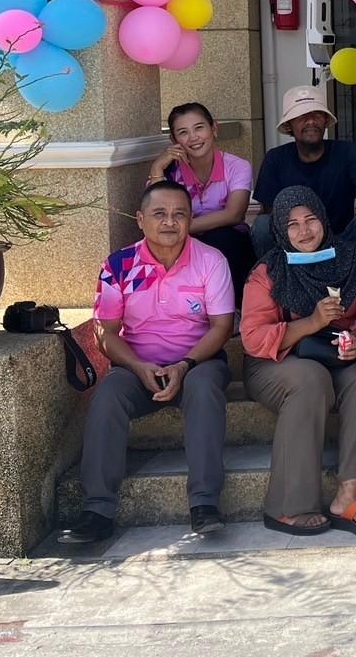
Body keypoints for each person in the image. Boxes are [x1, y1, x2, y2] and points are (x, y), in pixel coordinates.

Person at [59, 182, 233, 545]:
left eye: (179, 214)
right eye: (159, 214)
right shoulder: (119, 265)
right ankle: (97, 510)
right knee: (108, 394)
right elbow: (105, 333)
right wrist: (138, 367)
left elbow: (221, 327)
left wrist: (184, 365)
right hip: (138, 366)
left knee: (203, 389)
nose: (170, 222)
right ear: (140, 219)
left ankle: (204, 503)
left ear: (190, 219)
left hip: (197, 362)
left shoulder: (211, 261)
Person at [240, 186, 356, 540]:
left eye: (310, 220)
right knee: (310, 380)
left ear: (323, 218)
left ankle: (348, 497)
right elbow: (253, 338)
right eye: (292, 225)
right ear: (280, 229)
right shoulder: (269, 272)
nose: (304, 231)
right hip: (274, 361)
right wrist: (312, 322)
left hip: (333, 355)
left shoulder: (351, 260)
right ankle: (288, 506)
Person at [253, 85, 356, 261]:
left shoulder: (346, 152)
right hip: (292, 247)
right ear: (289, 125)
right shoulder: (275, 158)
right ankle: (272, 275)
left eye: (317, 115)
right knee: (262, 225)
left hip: (340, 243)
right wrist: (300, 240)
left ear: (325, 120)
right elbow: (270, 214)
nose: (311, 121)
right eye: (302, 116)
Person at [147, 102, 256, 290]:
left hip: (229, 243)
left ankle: (231, 305)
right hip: (181, 242)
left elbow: (234, 214)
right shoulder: (169, 171)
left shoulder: (237, 166)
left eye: (199, 128)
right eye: (183, 132)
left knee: (221, 239)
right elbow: (157, 215)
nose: (193, 137)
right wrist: (156, 169)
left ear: (214, 128)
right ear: (174, 140)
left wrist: (180, 227)